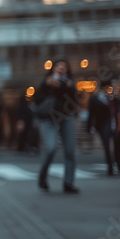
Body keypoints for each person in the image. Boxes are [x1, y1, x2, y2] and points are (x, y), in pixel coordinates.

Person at [33, 59, 80, 193]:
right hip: (48, 119)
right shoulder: (45, 82)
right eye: (58, 66)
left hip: (66, 117)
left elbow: (75, 99)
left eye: (64, 67)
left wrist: (67, 86)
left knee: (70, 151)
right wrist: (47, 86)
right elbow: (37, 100)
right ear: (53, 69)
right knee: (51, 148)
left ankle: (68, 183)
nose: (61, 68)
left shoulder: (70, 83)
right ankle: (42, 177)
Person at [87, 79, 116, 175]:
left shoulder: (114, 98)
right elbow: (91, 114)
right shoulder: (95, 99)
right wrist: (90, 126)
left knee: (117, 145)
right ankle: (110, 166)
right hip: (103, 124)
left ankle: (117, 163)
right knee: (107, 145)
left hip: (116, 123)